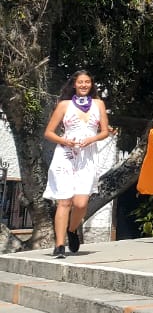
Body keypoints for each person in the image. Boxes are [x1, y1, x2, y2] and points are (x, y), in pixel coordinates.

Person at [42, 70, 112, 259]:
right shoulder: (64, 105)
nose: (83, 85)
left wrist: (93, 138)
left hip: (87, 156)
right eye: (80, 82)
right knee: (64, 201)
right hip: (65, 155)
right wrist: (64, 141)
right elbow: (49, 132)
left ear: (91, 84)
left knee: (81, 203)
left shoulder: (98, 104)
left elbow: (105, 131)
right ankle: (59, 245)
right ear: (74, 84)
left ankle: (72, 229)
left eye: (87, 82)